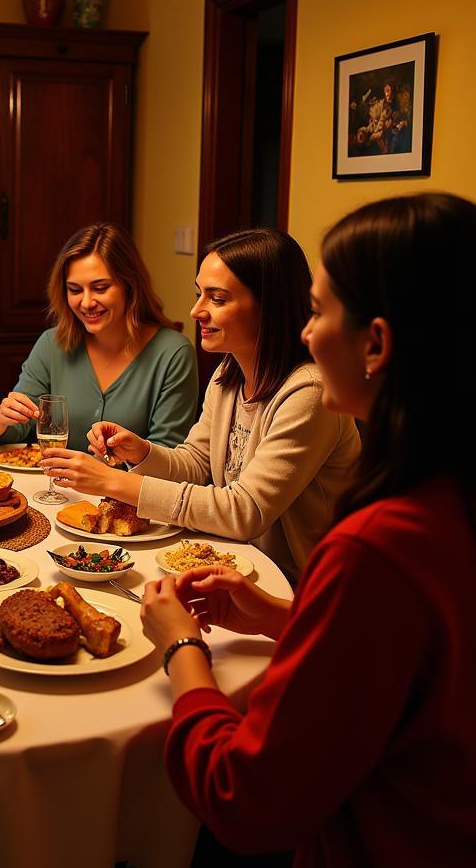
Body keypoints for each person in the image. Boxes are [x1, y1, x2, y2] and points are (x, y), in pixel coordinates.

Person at [139, 193, 476, 865]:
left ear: (376, 342)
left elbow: (243, 795)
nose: (304, 332)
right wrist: (281, 617)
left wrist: (181, 650)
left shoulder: (375, 547)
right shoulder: (449, 499)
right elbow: (402, 670)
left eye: (318, 312)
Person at [45, 228, 360, 580]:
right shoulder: (230, 372)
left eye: (218, 299)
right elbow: (196, 463)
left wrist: (111, 483)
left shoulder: (310, 392)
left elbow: (245, 511)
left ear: (268, 306)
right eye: (199, 295)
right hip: (235, 564)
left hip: (304, 587)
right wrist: (141, 452)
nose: (197, 311)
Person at [0, 223, 198, 452]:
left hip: (130, 488)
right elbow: (17, 430)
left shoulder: (174, 353)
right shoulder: (51, 344)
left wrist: (101, 473)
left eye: (101, 288)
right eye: (75, 290)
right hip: (56, 487)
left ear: (130, 285)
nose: (86, 303)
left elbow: (167, 458)